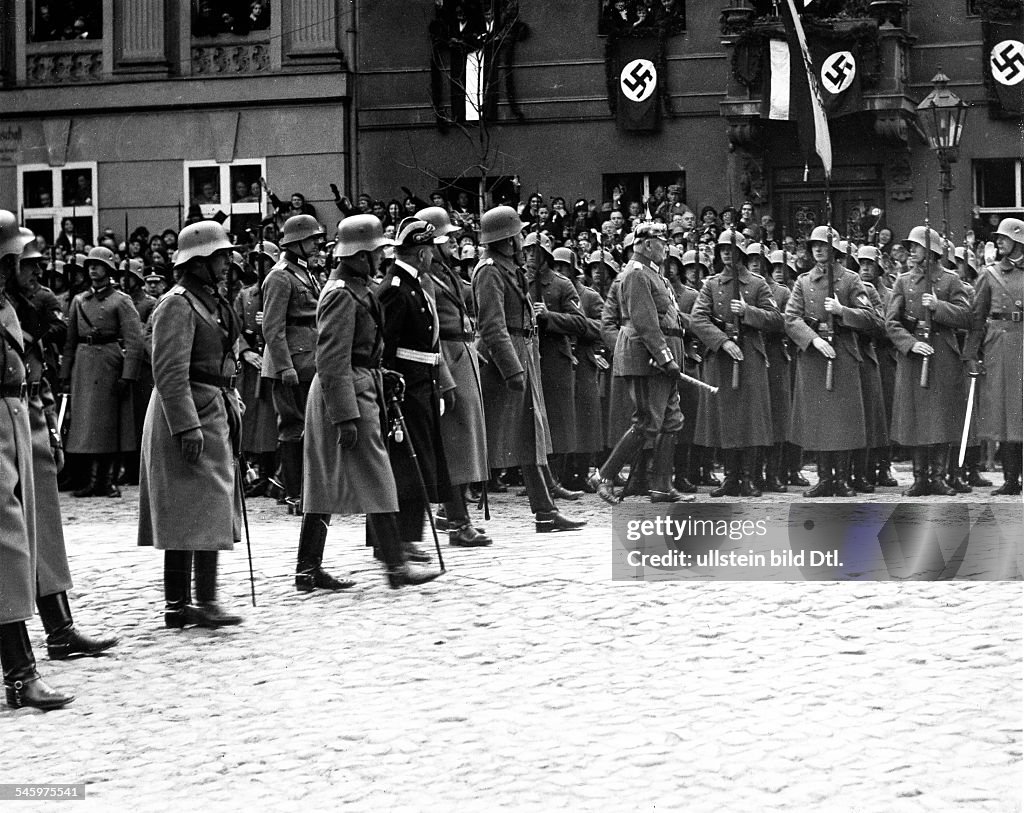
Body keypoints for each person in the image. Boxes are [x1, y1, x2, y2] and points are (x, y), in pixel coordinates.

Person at [299, 215, 440, 589]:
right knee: (374, 475)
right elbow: (331, 359)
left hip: (360, 385)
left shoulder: (358, 287)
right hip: (343, 392)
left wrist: (383, 376)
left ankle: (307, 569)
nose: (382, 258)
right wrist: (345, 415)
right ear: (360, 255)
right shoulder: (341, 294)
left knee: (328, 479)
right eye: (377, 252)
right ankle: (395, 566)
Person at [9, 236, 117, 661]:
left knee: (46, 534)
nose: (37, 272)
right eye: (26, 265)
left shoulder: (27, 309)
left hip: (30, 414)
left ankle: (60, 629)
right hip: (7, 422)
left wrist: (50, 429)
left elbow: (39, 370)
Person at [138, 221, 245, 629]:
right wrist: (186, 426)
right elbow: (168, 372)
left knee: (208, 507)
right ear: (197, 262)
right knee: (189, 509)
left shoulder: (210, 300)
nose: (226, 263)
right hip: (184, 413)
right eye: (218, 256)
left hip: (211, 407)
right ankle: (184, 604)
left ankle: (197, 601)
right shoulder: (177, 304)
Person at [0, 213, 75, 710]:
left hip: (12, 415)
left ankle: (28, 665)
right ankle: (22, 674)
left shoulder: (7, 304)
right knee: (6, 545)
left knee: (18, 541)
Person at [473, 206, 586, 532]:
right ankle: (452, 512)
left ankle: (545, 512)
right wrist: (512, 370)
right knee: (478, 438)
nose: (523, 240)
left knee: (530, 436)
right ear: (508, 239)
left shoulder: (510, 268)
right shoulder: (490, 271)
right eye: (519, 234)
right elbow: (492, 326)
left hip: (524, 354)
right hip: (505, 360)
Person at [589, 222, 694, 503]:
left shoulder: (654, 275)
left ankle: (661, 487)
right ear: (648, 244)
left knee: (672, 421)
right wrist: (664, 357)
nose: (667, 247)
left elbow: (667, 318)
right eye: (663, 241)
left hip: (662, 356)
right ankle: (605, 476)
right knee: (647, 421)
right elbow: (644, 322)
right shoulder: (636, 274)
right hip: (647, 359)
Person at [376, 218, 454, 561]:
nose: (433, 257)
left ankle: (407, 538)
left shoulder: (412, 282)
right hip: (405, 386)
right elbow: (386, 345)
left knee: (418, 461)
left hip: (421, 382)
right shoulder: (395, 287)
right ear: (421, 254)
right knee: (405, 465)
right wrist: (389, 387)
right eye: (431, 251)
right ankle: (398, 541)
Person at [415, 206, 491, 546]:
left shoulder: (445, 273)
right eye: (449, 239)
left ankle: (453, 513)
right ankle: (458, 519)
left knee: (462, 438)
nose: (455, 244)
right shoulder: (426, 277)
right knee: (455, 440)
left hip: (461, 353)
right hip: (446, 355)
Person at [784, 226, 877, 497]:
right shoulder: (803, 282)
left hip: (844, 354)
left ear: (834, 249)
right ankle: (825, 478)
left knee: (844, 421)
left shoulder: (850, 280)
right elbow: (791, 318)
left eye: (823, 245)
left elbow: (870, 317)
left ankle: (843, 478)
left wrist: (842, 311)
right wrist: (814, 340)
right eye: (814, 245)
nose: (818, 249)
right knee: (819, 420)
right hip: (814, 355)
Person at [689, 229, 781, 497]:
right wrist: (722, 341)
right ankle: (730, 477)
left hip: (750, 354)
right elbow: (698, 319)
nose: (727, 254)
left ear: (741, 252)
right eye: (723, 250)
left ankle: (749, 477)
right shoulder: (711, 284)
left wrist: (748, 312)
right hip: (722, 357)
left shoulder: (757, 284)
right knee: (726, 419)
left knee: (751, 419)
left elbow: (776, 319)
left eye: (731, 249)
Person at [885, 225, 971, 496]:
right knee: (916, 418)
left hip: (942, 355)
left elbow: (967, 316)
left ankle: (938, 476)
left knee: (941, 417)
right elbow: (891, 322)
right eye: (910, 246)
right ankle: (920, 477)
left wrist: (938, 306)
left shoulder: (950, 280)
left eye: (917, 246)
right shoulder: (902, 281)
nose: (911, 250)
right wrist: (911, 344)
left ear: (931, 251)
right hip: (914, 356)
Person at [59, 246, 144, 498]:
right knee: (85, 426)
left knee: (107, 425)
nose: (92, 269)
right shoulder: (79, 301)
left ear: (108, 270)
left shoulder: (121, 300)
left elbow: (134, 340)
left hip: (108, 362)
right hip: (84, 365)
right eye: (90, 265)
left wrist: (128, 375)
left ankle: (106, 480)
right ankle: (89, 479)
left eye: (98, 265)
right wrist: (65, 374)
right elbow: (70, 341)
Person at [261, 214, 325, 513]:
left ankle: (301, 488)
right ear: (297, 241)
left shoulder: (303, 272)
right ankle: (294, 492)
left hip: (308, 360)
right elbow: (272, 328)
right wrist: (285, 366)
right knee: (293, 427)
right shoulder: (279, 276)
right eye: (312, 239)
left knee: (307, 426)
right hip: (291, 365)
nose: (316, 244)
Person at [524, 231, 588, 496]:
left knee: (558, 421)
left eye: (534, 253)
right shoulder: (521, 282)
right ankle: (538, 480)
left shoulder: (562, 285)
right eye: (526, 252)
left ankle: (555, 479)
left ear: (546, 257)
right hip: (530, 354)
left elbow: (580, 322)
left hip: (554, 357)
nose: (529, 257)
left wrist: (549, 316)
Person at [963, 217, 1024, 495]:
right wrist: (971, 354)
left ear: (1019, 241)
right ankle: (1011, 480)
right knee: (1005, 415)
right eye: (998, 238)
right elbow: (976, 318)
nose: (998, 241)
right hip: (998, 345)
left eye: (1004, 238)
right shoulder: (989, 274)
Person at [234, 240, 280, 497]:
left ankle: (271, 474)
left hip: (272, 360)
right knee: (252, 421)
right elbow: (233, 328)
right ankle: (255, 472)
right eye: (257, 262)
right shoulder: (245, 295)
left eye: (266, 262)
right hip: (252, 365)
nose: (261, 267)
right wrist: (245, 350)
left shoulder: (279, 288)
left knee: (270, 422)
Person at [560, 248, 605, 492]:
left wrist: (576, 325)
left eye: (564, 267)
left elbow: (602, 327)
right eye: (556, 267)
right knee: (562, 418)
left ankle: (582, 471)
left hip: (584, 359)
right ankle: (562, 474)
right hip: (560, 359)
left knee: (586, 420)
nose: (560, 272)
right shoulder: (549, 293)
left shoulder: (589, 296)